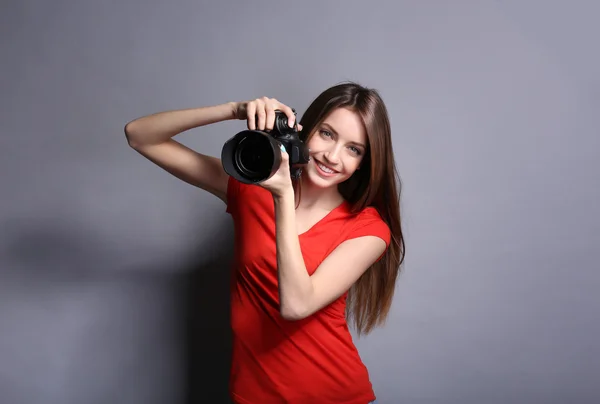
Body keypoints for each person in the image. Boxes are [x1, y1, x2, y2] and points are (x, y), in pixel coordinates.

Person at [124, 82, 405, 404]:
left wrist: (283, 196)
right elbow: (140, 135)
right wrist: (234, 110)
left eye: (354, 149)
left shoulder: (368, 229)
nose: (332, 155)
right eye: (327, 134)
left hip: (331, 394)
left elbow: (296, 305)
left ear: (364, 162)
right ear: (306, 130)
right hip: (253, 393)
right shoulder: (249, 190)